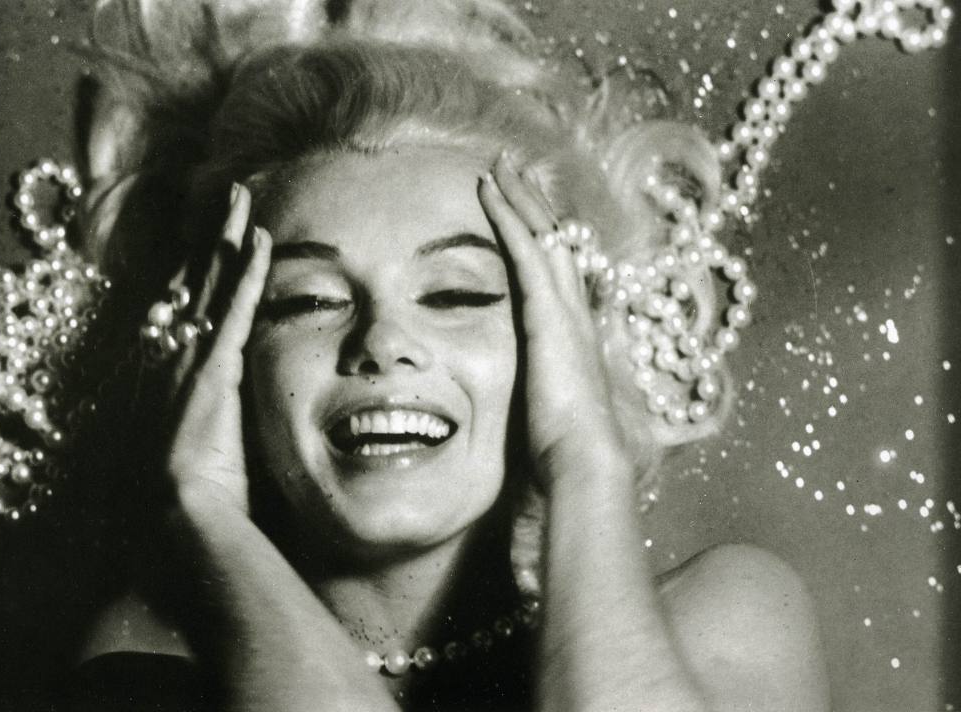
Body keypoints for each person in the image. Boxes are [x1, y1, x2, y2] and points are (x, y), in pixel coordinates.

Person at [65, 1, 830, 710]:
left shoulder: (728, 619)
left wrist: (585, 463)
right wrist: (206, 510)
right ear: (227, 361)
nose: (383, 343)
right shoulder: (139, 669)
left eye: (456, 294)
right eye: (308, 301)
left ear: (562, 340)